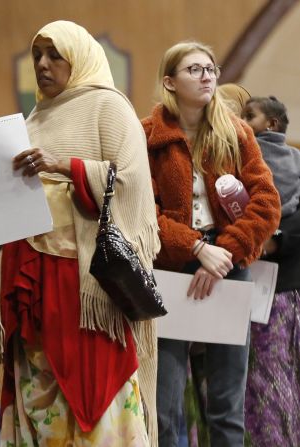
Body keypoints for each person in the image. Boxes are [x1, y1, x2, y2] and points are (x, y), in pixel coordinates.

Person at [0, 20, 161, 446]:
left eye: (54, 54)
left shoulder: (109, 107)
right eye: (37, 55)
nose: (42, 64)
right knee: (38, 391)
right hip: (36, 276)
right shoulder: (36, 115)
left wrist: (65, 166)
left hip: (88, 283)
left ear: (80, 58)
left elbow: (131, 181)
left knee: (96, 394)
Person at [143, 41, 280, 447]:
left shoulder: (236, 132)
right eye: (194, 69)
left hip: (228, 267)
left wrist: (227, 251)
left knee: (225, 405)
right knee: (166, 406)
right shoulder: (147, 135)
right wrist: (196, 248)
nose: (207, 76)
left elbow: (266, 203)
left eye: (211, 69)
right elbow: (140, 211)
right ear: (170, 81)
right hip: (170, 271)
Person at [241, 95, 300, 445]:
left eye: (250, 115)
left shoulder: (292, 162)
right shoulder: (235, 160)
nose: (242, 122)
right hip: (243, 283)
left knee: (276, 380)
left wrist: (272, 238)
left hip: (284, 287)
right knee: (259, 382)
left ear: (272, 124)